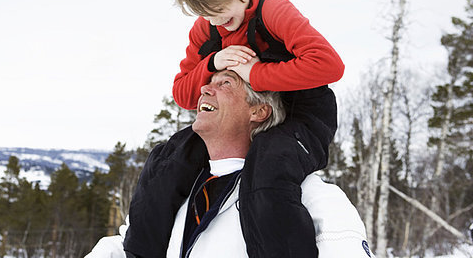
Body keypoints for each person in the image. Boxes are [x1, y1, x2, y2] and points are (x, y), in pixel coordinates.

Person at [170, 0, 345, 256]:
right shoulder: (206, 29)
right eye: (205, 14)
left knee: (269, 163)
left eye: (219, 10)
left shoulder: (273, 9)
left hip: (300, 116)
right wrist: (212, 63)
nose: (214, 21)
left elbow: (329, 65)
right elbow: (182, 93)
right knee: (168, 159)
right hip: (245, 117)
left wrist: (257, 74)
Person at [85, 71, 374, 258]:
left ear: (259, 110)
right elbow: (123, 248)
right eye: (209, 82)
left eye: (225, 83)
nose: (205, 88)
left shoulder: (313, 196)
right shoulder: (176, 190)